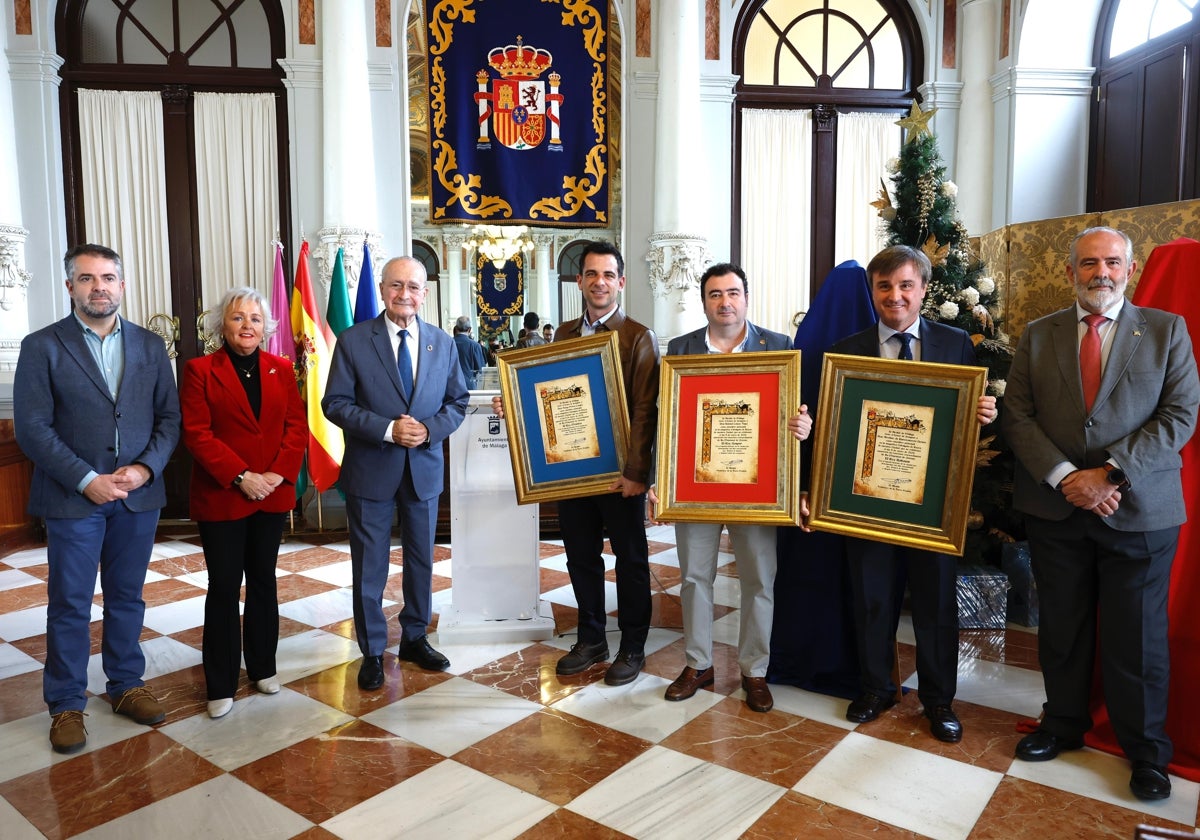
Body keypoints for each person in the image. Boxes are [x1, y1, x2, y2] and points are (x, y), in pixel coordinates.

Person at [1003, 226, 1200, 801]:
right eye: (1089, 263)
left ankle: (1146, 753)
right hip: (1056, 508)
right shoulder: (1039, 335)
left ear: (1130, 269)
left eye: (1112, 262)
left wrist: (1109, 474)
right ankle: (1062, 724)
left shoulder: (1166, 331)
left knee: (1137, 639)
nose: (1101, 273)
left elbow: (1180, 414)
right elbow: (1017, 415)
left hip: (1139, 510)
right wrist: (1069, 480)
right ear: (1071, 272)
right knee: (1061, 628)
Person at [825, 245, 997, 744]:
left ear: (923, 289)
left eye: (905, 285)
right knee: (872, 598)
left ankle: (939, 701)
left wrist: (981, 414)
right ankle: (877, 688)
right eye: (884, 287)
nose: (895, 296)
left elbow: (959, 422)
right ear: (872, 292)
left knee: (935, 604)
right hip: (867, 497)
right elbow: (837, 427)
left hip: (932, 503)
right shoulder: (848, 349)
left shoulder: (955, 342)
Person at [13, 243, 181, 754]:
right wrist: (88, 478)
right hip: (74, 499)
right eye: (87, 279)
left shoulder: (151, 348)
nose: (99, 287)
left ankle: (126, 684)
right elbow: (32, 429)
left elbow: (169, 420)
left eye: (108, 277)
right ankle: (65, 703)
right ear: (70, 287)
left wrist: (144, 468)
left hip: (136, 496)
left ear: (122, 285)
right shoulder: (42, 345)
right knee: (69, 603)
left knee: (128, 596)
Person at [492, 240, 659, 686]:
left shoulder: (639, 337)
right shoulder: (562, 335)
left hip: (618, 476)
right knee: (580, 558)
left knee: (631, 560)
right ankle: (591, 639)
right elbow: (547, 398)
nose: (599, 282)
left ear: (620, 282)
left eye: (607, 274)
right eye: (591, 274)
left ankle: (632, 645)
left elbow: (647, 410)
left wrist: (637, 475)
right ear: (579, 282)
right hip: (569, 472)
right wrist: (513, 403)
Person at [653, 262, 812, 713]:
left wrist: (802, 426)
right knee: (693, 577)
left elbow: (795, 411)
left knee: (760, 580)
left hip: (757, 486)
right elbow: (666, 421)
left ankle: (755, 671)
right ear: (704, 302)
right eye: (716, 294)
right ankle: (698, 664)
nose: (725, 302)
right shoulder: (682, 348)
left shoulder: (779, 347)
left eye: (733, 293)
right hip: (694, 484)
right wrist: (658, 481)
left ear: (747, 297)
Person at [323, 256, 469, 691]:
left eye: (414, 287)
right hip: (371, 469)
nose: (405, 294)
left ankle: (414, 637)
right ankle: (371, 649)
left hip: (423, 471)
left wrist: (427, 431)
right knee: (370, 564)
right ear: (383, 289)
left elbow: (456, 403)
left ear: (425, 293)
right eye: (396, 286)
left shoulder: (442, 343)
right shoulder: (353, 340)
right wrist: (388, 429)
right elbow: (335, 404)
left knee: (422, 559)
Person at [180, 287, 307, 719]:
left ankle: (263, 668)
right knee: (223, 588)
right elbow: (197, 434)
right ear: (222, 324)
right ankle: (220, 684)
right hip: (224, 496)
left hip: (270, 494)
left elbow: (296, 426)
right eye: (238, 318)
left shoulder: (281, 368)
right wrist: (241, 476)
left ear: (266, 327)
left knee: (264, 583)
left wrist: (275, 475)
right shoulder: (199, 370)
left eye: (255, 318)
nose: (247, 325)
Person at [452, 315, 486, 390]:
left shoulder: (447, 343)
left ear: (456, 328)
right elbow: (480, 370)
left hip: (451, 386)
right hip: (469, 387)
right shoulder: (475, 346)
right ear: (469, 329)